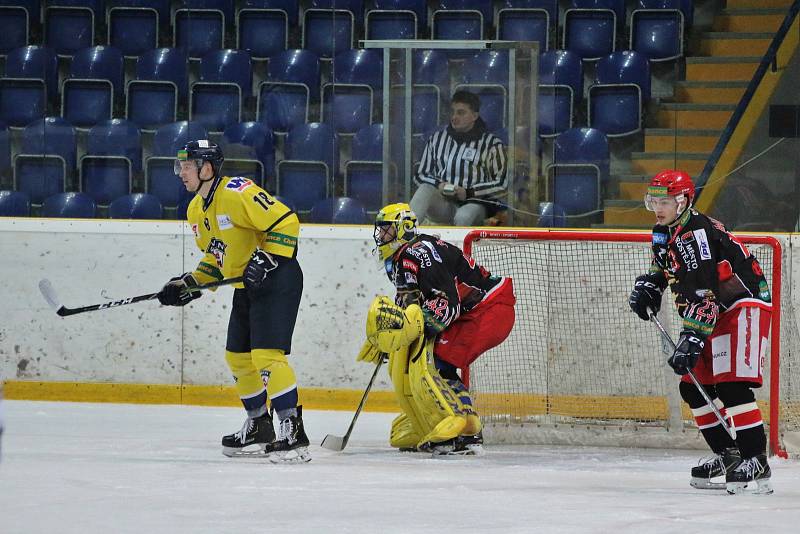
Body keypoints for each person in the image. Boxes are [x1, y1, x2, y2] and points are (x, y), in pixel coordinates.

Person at [157, 140, 309, 463]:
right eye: (180, 166)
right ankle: (259, 426)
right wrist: (189, 283)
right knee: (237, 356)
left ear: (207, 168)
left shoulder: (238, 192)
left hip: (278, 277)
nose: (181, 172)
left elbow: (286, 221)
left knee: (267, 356)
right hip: (247, 285)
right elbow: (217, 258)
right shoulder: (195, 211)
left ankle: (293, 433)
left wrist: (266, 258)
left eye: (187, 165)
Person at [628, 170, 773, 494]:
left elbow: (706, 291)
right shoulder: (663, 230)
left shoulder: (698, 234)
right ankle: (728, 454)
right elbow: (663, 266)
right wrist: (652, 283)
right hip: (708, 311)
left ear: (684, 200)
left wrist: (692, 336)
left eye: (665, 201)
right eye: (654, 201)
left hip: (740, 307)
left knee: (732, 385)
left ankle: (755, 458)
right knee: (694, 388)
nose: (658, 208)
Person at [358, 203, 516, 455]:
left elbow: (447, 304)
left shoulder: (417, 252)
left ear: (404, 228)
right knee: (435, 359)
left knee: (438, 361)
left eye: (387, 230)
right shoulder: (405, 256)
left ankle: (464, 429)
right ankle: (456, 424)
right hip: (481, 310)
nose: (381, 236)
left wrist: (407, 332)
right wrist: (392, 335)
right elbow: (412, 302)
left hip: (488, 309)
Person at [411, 90, 507, 226]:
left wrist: (469, 192)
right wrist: (439, 185)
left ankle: (459, 247)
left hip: (475, 203)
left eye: (461, 113)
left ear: (474, 115)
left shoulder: (492, 144)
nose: (454, 117)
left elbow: (502, 185)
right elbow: (420, 175)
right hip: (444, 204)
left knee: (464, 216)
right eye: (453, 112)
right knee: (425, 189)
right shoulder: (437, 139)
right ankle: (404, 238)